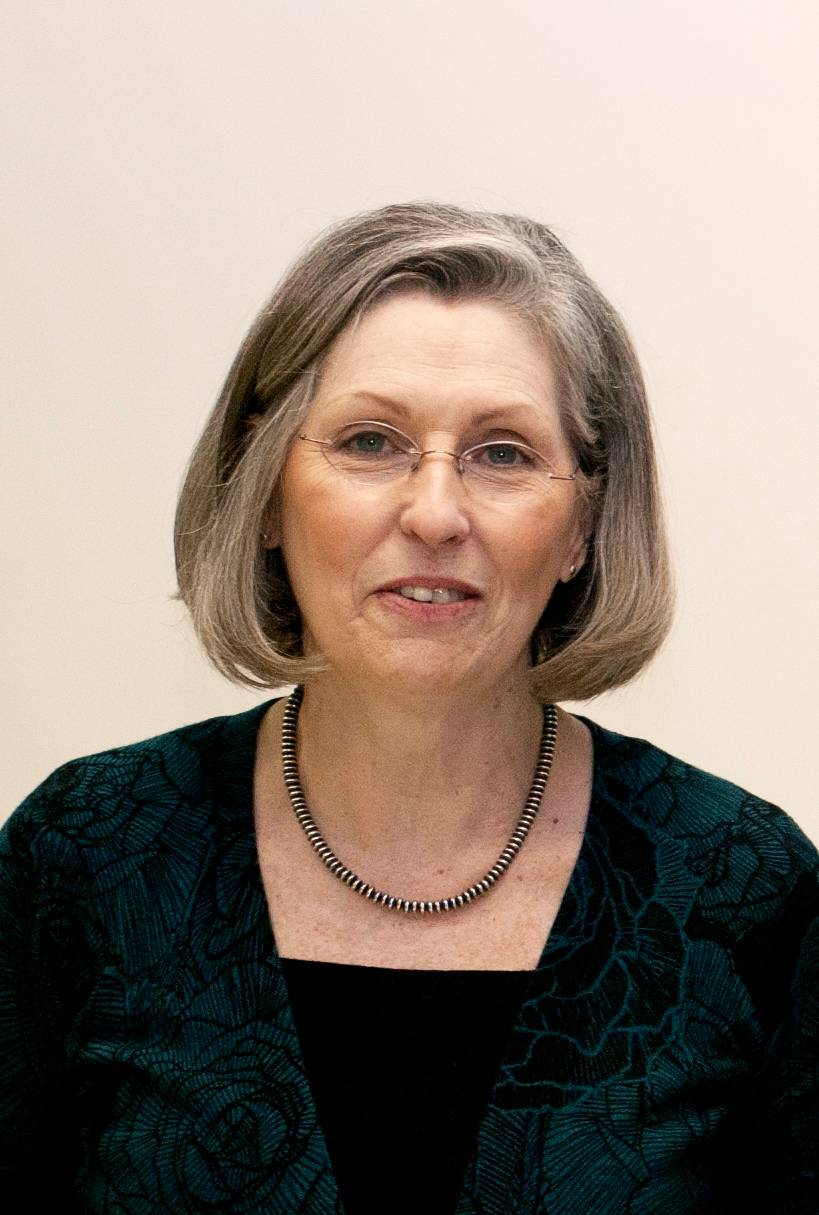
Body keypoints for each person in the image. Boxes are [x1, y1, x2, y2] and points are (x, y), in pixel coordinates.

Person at [1, 203, 816, 1214]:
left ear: (583, 529)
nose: (434, 512)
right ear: (263, 490)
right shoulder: (87, 858)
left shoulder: (741, 891)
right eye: (371, 441)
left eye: (504, 453)